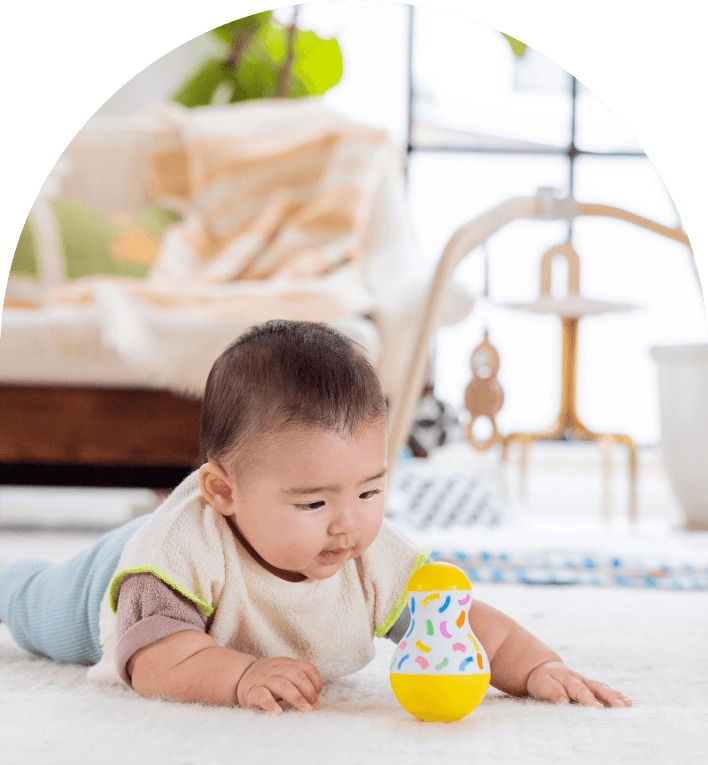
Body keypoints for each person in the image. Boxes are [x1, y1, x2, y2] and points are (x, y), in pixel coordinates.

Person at [0, 320, 631, 714]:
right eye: (313, 502)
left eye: (368, 492)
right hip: (103, 584)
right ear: (223, 492)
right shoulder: (172, 559)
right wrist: (241, 674)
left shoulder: (367, 553)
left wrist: (539, 666)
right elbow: (157, 663)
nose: (348, 524)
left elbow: (458, 623)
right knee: (31, 604)